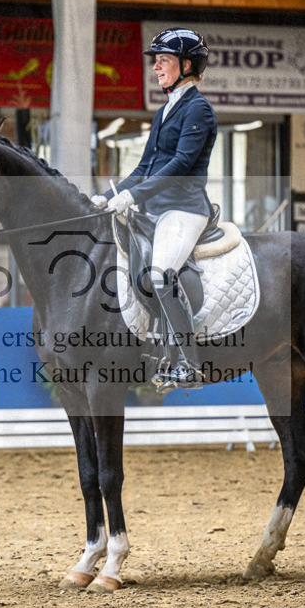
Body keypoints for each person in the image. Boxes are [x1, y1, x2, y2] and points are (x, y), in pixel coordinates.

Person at [92, 27, 218, 387]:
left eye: (164, 60)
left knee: (162, 274)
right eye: (157, 61)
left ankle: (189, 363)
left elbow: (179, 165)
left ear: (187, 64)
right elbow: (144, 166)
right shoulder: (165, 111)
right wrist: (110, 193)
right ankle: (156, 349)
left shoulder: (199, 109)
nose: (157, 68)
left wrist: (134, 196)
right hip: (156, 211)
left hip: (185, 209)